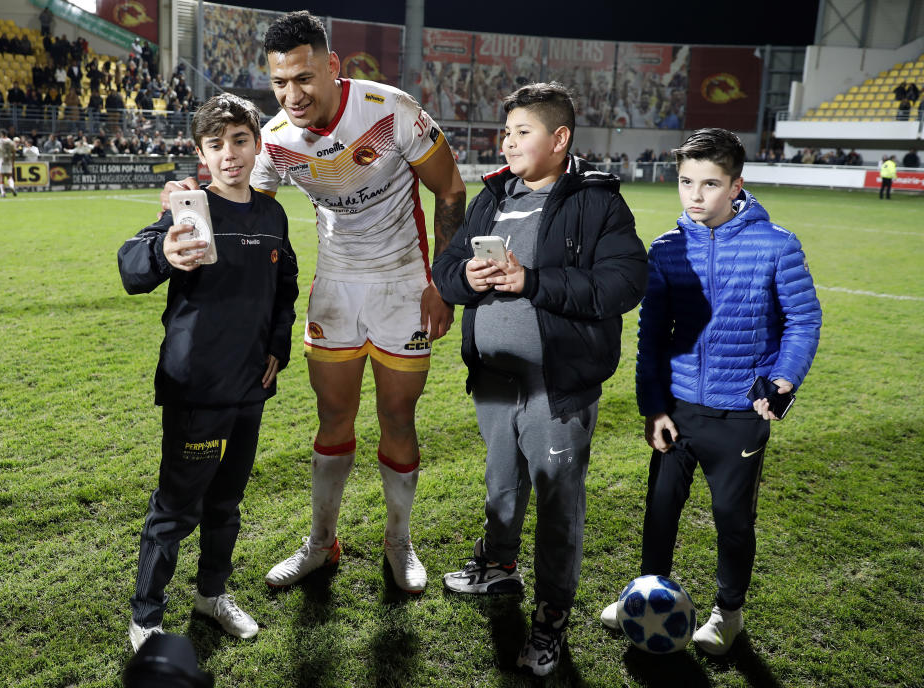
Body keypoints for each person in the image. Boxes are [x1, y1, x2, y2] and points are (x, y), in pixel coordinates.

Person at [163, 10, 466, 595]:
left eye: (303, 78)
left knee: (398, 418)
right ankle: (322, 543)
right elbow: (240, 202)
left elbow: (450, 190)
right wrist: (187, 199)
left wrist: (443, 284)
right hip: (334, 287)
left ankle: (398, 544)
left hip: (405, 284)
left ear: (331, 66)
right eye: (279, 83)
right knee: (332, 421)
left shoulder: (389, 110)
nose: (291, 95)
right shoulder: (275, 140)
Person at [432, 82, 647, 676]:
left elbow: (623, 285)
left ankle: (551, 618)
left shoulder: (598, 202)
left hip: (558, 385)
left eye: (522, 131)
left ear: (560, 139)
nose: (509, 141)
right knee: (501, 484)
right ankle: (499, 568)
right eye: (507, 132)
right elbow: (445, 269)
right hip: (495, 381)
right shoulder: (494, 194)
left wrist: (533, 282)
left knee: (557, 503)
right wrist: (466, 280)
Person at [599, 128, 822, 655]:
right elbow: (650, 336)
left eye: (709, 184)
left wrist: (785, 379)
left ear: (736, 185)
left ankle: (729, 613)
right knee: (659, 510)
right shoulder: (668, 249)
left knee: (731, 517)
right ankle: (648, 597)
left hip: (741, 414)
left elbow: (804, 320)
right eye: (685, 182)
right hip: (677, 409)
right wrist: (653, 407)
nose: (695, 196)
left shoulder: (777, 245)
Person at [118, 93, 299, 652]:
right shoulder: (188, 209)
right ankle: (146, 617)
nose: (230, 155)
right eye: (216, 144)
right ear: (201, 152)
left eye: (239, 141)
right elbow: (132, 268)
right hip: (197, 387)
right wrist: (165, 254)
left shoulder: (272, 214)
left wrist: (278, 345)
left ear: (257, 143)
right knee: (176, 509)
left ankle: (211, 595)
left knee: (226, 504)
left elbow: (285, 289)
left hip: (251, 385)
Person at [0, 129, 17, 197]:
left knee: (1, 177)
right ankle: (12, 186)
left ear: (1, 134)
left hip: (1, 160)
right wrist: (13, 163)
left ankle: (3, 193)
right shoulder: (11, 142)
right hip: (8, 160)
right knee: (9, 176)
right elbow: (14, 153)